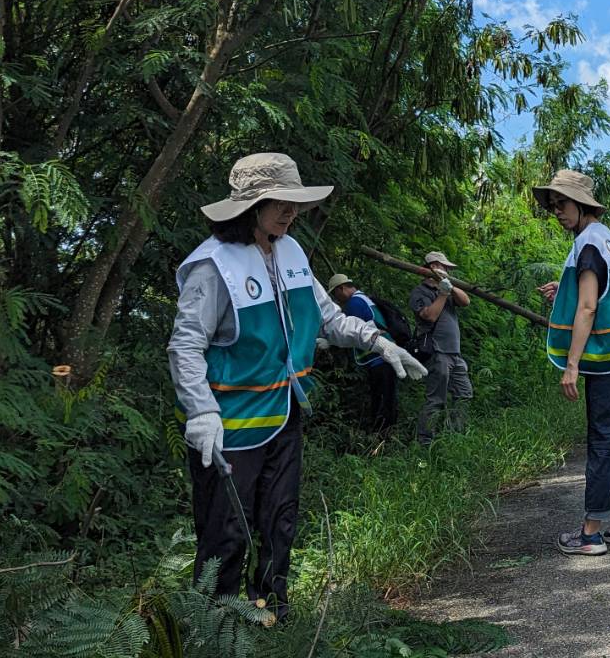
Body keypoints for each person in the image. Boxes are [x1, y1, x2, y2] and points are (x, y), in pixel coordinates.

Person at [170, 153, 426, 624]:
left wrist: (376, 339)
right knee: (227, 530)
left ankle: (272, 612)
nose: (292, 213)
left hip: (285, 413)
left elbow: (327, 316)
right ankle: (216, 626)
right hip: (230, 423)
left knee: (278, 520)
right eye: (281, 204)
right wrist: (200, 411)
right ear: (252, 206)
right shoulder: (212, 266)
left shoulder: (290, 252)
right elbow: (186, 345)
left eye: (294, 204)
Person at [534, 169, 610, 556]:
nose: (557, 212)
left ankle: (590, 532)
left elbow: (587, 308)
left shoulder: (588, 245)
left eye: (562, 204)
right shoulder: (609, 240)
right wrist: (561, 293)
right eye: (553, 206)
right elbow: (600, 297)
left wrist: (571, 365)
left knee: (602, 441)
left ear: (582, 204)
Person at [409, 251, 472, 446]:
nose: (446, 271)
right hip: (437, 352)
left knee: (464, 394)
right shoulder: (420, 292)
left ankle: (455, 437)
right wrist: (443, 293)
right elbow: (429, 316)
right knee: (436, 399)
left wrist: (449, 288)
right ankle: (426, 442)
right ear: (434, 266)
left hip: (455, 353)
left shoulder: (446, 289)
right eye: (443, 267)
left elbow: (466, 301)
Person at [325, 273, 400, 431]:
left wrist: (329, 341)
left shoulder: (355, 303)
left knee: (381, 401)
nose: (336, 298)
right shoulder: (363, 299)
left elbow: (349, 332)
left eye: (335, 293)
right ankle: (388, 437)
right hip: (385, 357)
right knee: (387, 399)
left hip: (380, 359)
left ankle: (382, 439)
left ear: (342, 288)